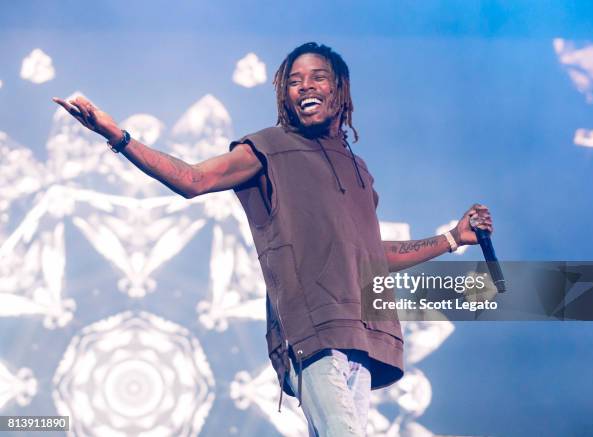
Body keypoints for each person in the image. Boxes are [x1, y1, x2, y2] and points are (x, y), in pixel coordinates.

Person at [54, 42, 493, 437]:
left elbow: (371, 259)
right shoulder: (266, 148)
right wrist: (119, 138)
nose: (304, 87)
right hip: (312, 331)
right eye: (294, 82)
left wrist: (452, 238)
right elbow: (192, 179)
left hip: (364, 333)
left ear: (340, 89)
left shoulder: (359, 172)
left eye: (317, 77)